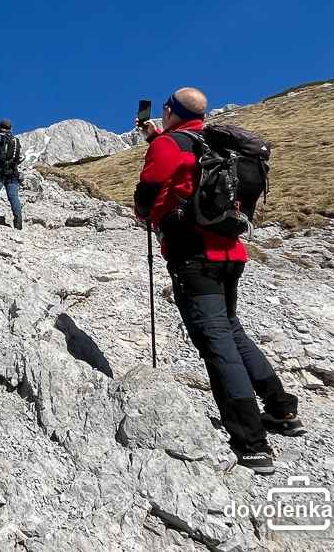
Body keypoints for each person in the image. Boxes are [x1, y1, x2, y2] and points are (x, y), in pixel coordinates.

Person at [133, 87, 304, 476]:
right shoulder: (212, 143)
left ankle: (251, 441)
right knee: (231, 329)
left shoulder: (171, 144)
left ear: (172, 111)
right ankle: (282, 409)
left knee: (216, 341)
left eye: (165, 106)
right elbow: (185, 163)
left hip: (194, 257)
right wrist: (157, 137)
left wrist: (143, 210)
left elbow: (152, 182)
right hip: (230, 252)